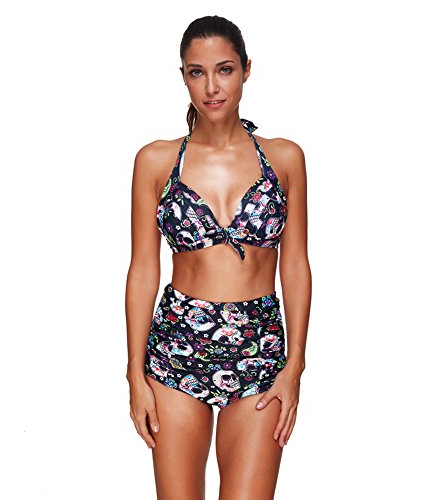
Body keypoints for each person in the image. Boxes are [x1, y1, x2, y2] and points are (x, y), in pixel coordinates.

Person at [125, 15, 312, 500]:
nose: (211, 87)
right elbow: (143, 270)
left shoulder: (285, 158)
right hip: (176, 344)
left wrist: (295, 366)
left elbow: (295, 266)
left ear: (246, 70)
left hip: (260, 349)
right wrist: (134, 373)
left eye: (224, 70)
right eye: (197, 72)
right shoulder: (156, 161)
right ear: (183, 76)